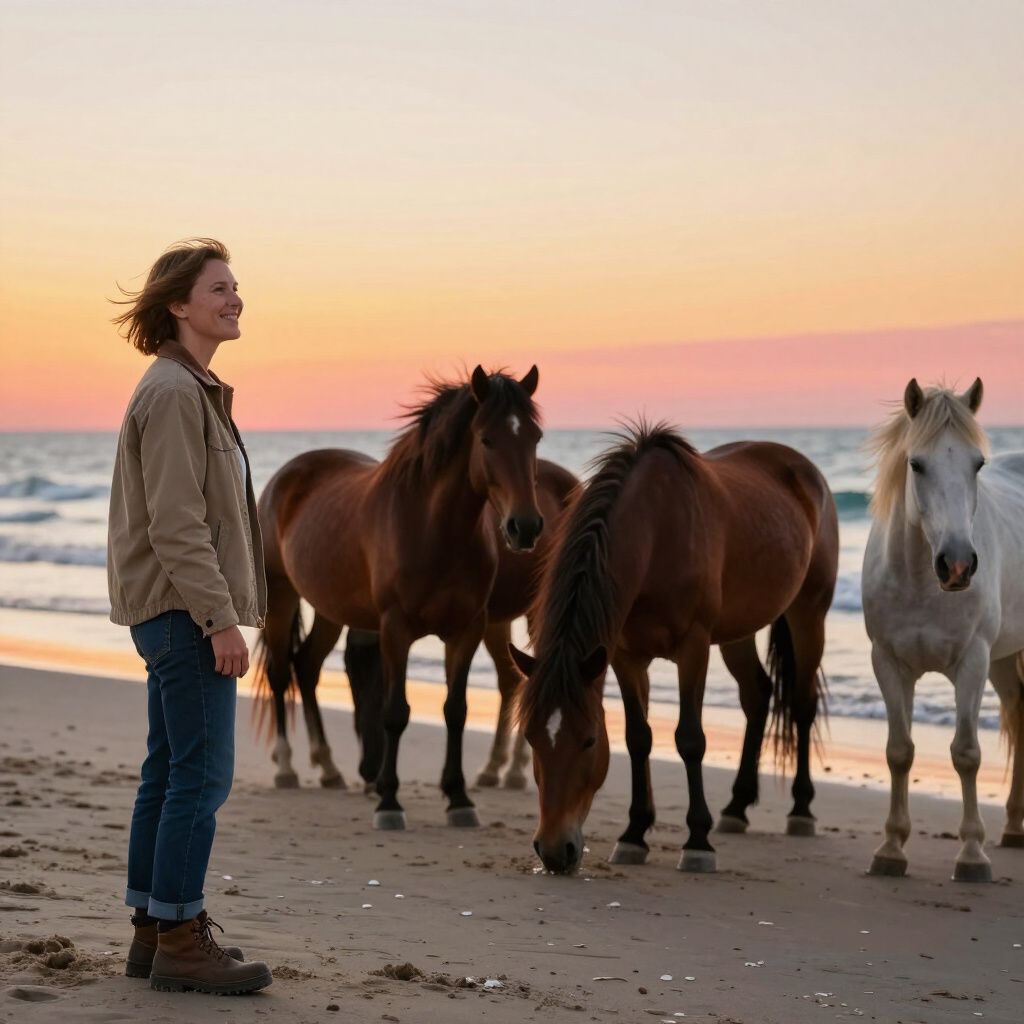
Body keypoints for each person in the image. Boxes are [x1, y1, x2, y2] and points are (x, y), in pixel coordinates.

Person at [107, 239, 272, 994]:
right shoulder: (175, 393)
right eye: (218, 288)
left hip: (174, 611)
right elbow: (177, 524)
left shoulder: (188, 387)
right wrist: (220, 619)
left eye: (236, 287)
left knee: (168, 773)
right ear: (178, 303)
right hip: (183, 613)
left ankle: (152, 932)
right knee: (199, 779)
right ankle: (180, 939)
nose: (234, 298)